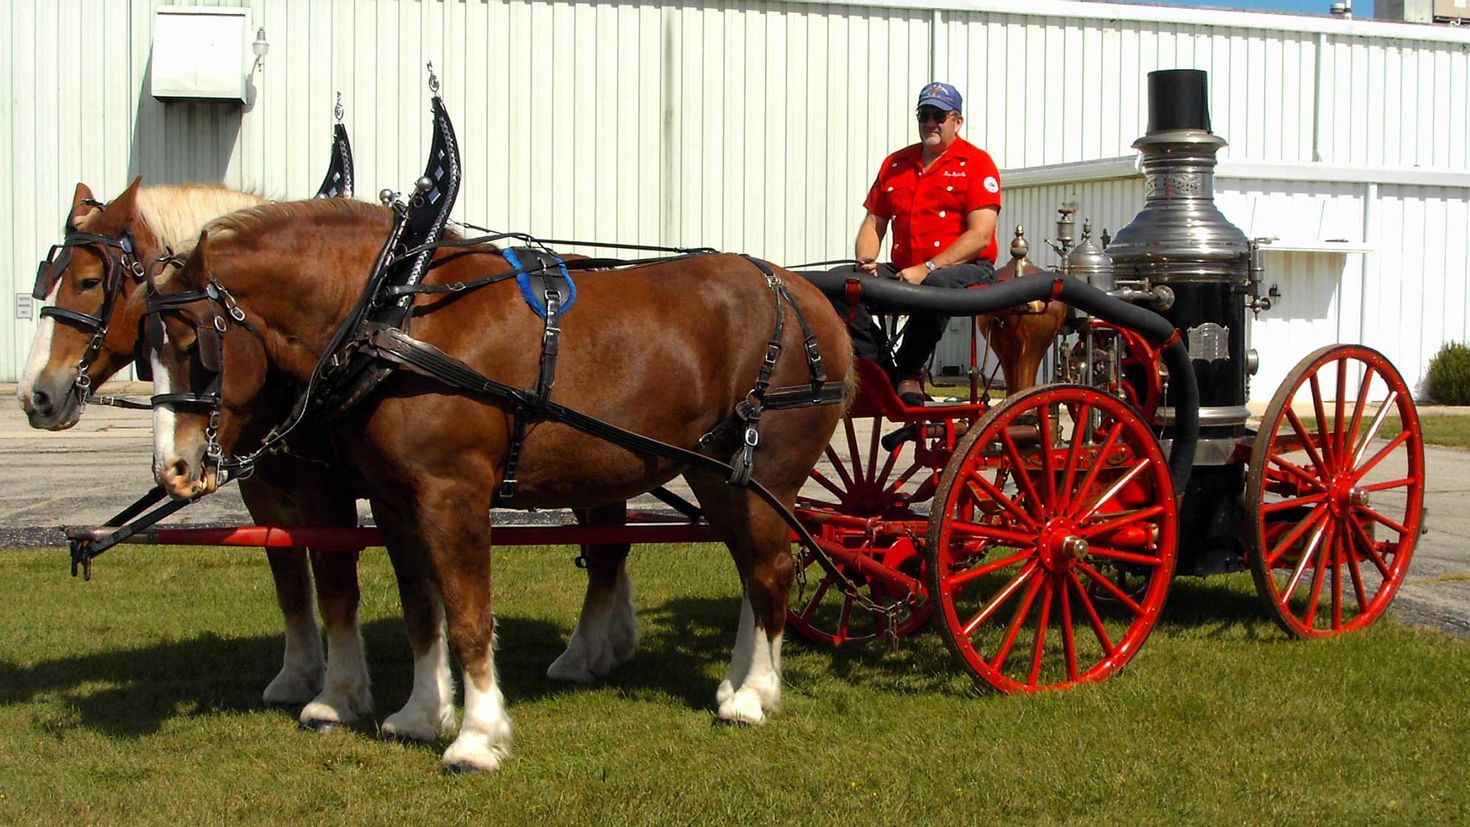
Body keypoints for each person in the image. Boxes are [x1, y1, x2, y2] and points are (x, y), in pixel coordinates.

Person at [828, 82, 1002, 406]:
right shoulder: (896, 164)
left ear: (957, 121)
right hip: (905, 268)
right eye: (924, 115)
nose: (930, 123)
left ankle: (909, 371)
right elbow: (873, 222)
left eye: (939, 115)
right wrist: (866, 257)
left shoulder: (977, 164)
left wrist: (928, 267)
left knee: (934, 285)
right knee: (840, 283)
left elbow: (980, 235)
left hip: (963, 269)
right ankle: (881, 367)